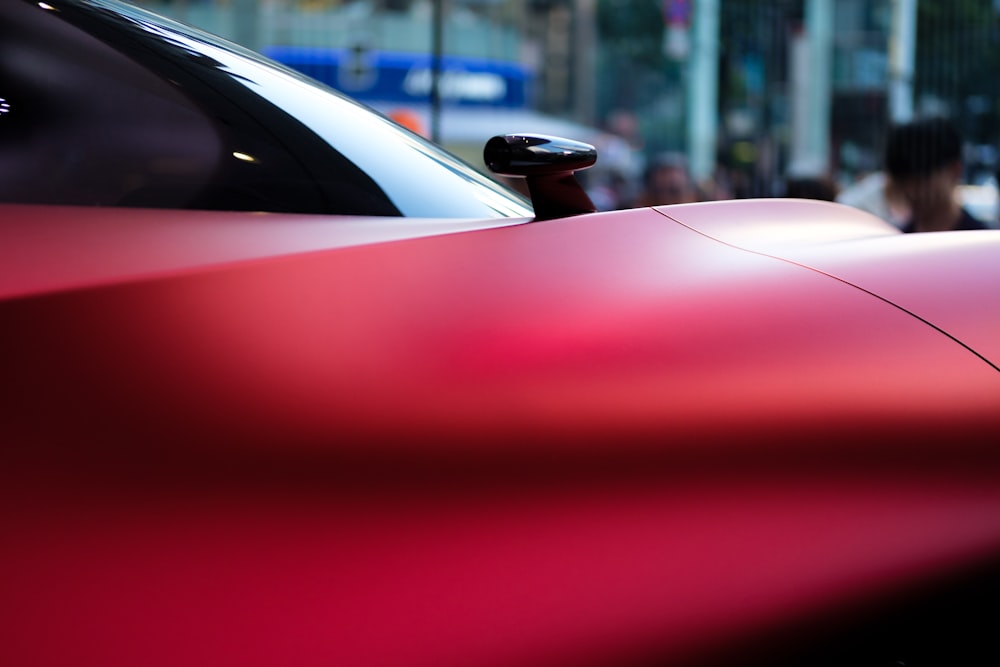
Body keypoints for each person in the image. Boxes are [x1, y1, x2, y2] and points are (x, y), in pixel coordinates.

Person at [883, 117, 990, 233]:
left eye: (921, 179)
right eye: (903, 179)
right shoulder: (898, 243)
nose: (911, 190)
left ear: (955, 170)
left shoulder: (983, 243)